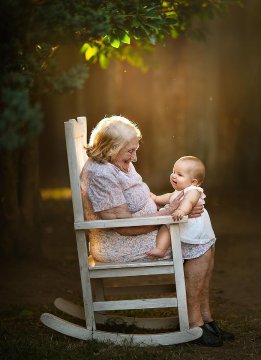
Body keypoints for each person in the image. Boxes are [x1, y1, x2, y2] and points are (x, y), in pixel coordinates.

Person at [80, 115, 234, 346]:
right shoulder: (101, 174)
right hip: (118, 242)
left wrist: (174, 204)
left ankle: (206, 318)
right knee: (198, 244)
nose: (135, 157)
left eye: (135, 150)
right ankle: (195, 325)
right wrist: (172, 211)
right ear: (110, 148)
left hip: (144, 228)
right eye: (130, 151)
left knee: (206, 242)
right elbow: (121, 226)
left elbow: (141, 198)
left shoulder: (116, 161)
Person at [147, 156, 216, 258]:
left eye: (179, 174)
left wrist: (181, 210)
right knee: (166, 227)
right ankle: (161, 249)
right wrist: (156, 198)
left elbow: (189, 201)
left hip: (191, 226)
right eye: (174, 171)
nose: (174, 176)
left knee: (167, 226)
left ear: (193, 182)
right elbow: (169, 197)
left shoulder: (193, 190)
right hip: (179, 222)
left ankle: (166, 249)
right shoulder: (178, 192)